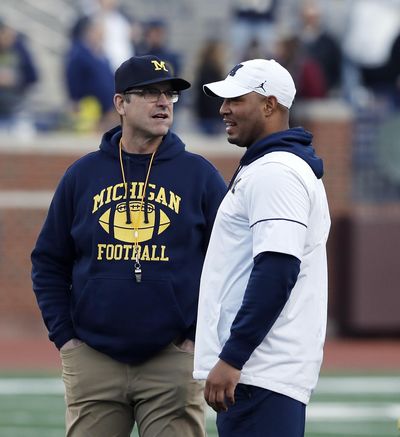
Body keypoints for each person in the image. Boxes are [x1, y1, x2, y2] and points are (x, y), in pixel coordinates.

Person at [31, 54, 227, 437]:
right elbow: (48, 261)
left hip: (172, 357)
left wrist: (196, 338)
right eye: (150, 93)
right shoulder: (83, 174)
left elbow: (229, 263)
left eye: (169, 94)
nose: (163, 102)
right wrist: (66, 339)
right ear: (120, 103)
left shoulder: (199, 175)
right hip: (93, 357)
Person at [193, 59, 331, 437]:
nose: (223, 109)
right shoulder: (270, 166)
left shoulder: (276, 172)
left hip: (260, 372)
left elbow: (277, 270)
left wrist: (233, 356)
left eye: (236, 99)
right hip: (260, 372)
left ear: (270, 105)